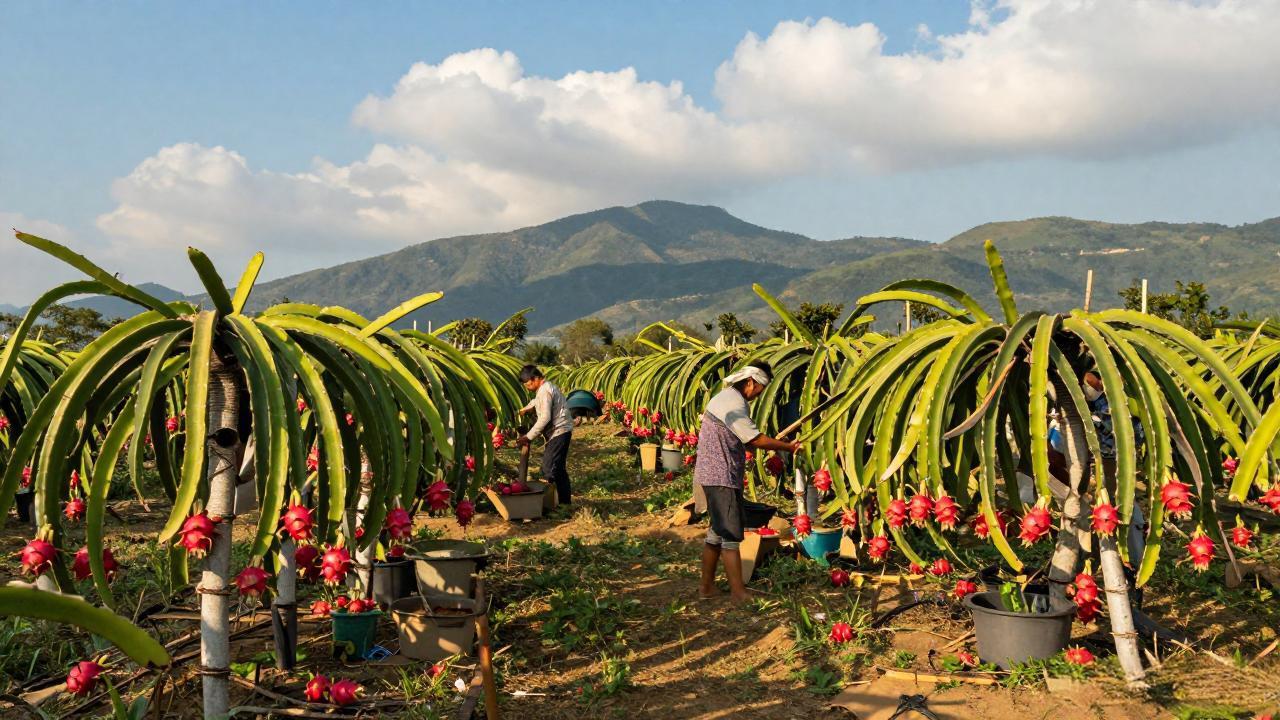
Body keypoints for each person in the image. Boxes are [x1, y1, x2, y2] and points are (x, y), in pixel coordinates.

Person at [694, 360, 801, 604]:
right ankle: (738, 593)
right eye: (760, 389)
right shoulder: (734, 403)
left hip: (712, 474)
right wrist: (788, 447)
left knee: (716, 534)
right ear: (751, 382)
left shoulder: (725, 397)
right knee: (731, 536)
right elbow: (753, 439)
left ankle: (706, 588)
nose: (759, 395)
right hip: (721, 476)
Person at [516, 365, 573, 505]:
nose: (528, 388)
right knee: (557, 468)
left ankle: (558, 503)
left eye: (528, 384)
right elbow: (538, 402)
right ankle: (563, 503)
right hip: (560, 431)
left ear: (535, 379)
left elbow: (545, 417)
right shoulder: (545, 388)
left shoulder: (544, 391)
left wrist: (528, 437)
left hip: (559, 431)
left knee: (550, 468)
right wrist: (526, 408)